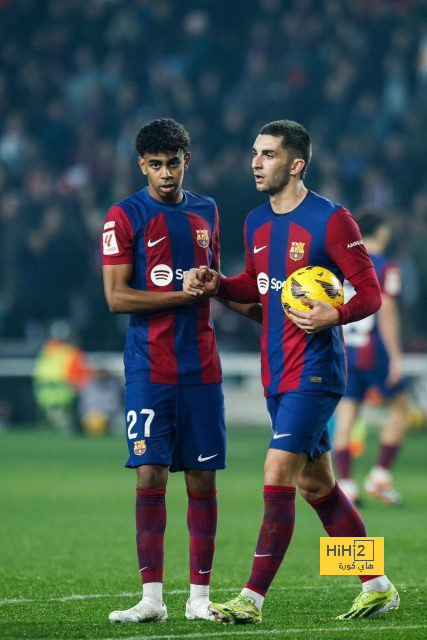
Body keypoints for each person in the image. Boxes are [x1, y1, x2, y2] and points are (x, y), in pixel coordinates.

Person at [183, 120, 400, 623]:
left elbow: (369, 291)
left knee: (276, 471)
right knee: (317, 486)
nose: (256, 163)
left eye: (268, 154)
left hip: (317, 371)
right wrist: (217, 284)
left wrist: (335, 313)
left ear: (296, 164)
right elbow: (259, 295)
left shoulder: (332, 220)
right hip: (275, 371)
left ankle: (251, 599)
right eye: (254, 153)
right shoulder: (256, 222)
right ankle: (378, 583)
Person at [101, 118, 259, 624]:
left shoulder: (207, 210)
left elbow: (214, 277)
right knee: (149, 473)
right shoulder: (124, 216)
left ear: (186, 160)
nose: (165, 173)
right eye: (155, 165)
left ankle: (197, 599)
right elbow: (116, 296)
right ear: (140, 165)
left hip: (201, 368)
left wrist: (218, 285)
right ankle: (151, 598)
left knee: (202, 481)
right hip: (149, 367)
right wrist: (185, 294)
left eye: (173, 163)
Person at [334, 209, 410, 505]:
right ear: (380, 231)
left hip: (347, 352)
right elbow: (387, 310)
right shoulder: (385, 266)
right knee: (402, 410)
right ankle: (380, 476)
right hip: (375, 351)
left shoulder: (344, 265)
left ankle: (347, 484)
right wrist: (395, 356)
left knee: (347, 415)